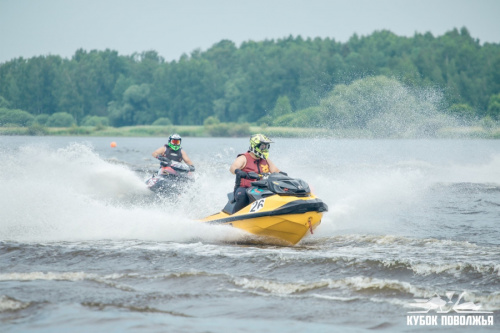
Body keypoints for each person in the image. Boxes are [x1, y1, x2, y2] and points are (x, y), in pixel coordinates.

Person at [229, 134, 280, 212]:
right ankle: (233, 219)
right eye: (263, 146)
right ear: (255, 146)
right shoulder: (243, 158)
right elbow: (233, 168)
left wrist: (283, 176)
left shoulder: (266, 160)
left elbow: (276, 171)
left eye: (267, 146)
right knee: (242, 196)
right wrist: (238, 171)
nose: (265, 149)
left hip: (261, 188)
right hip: (244, 188)